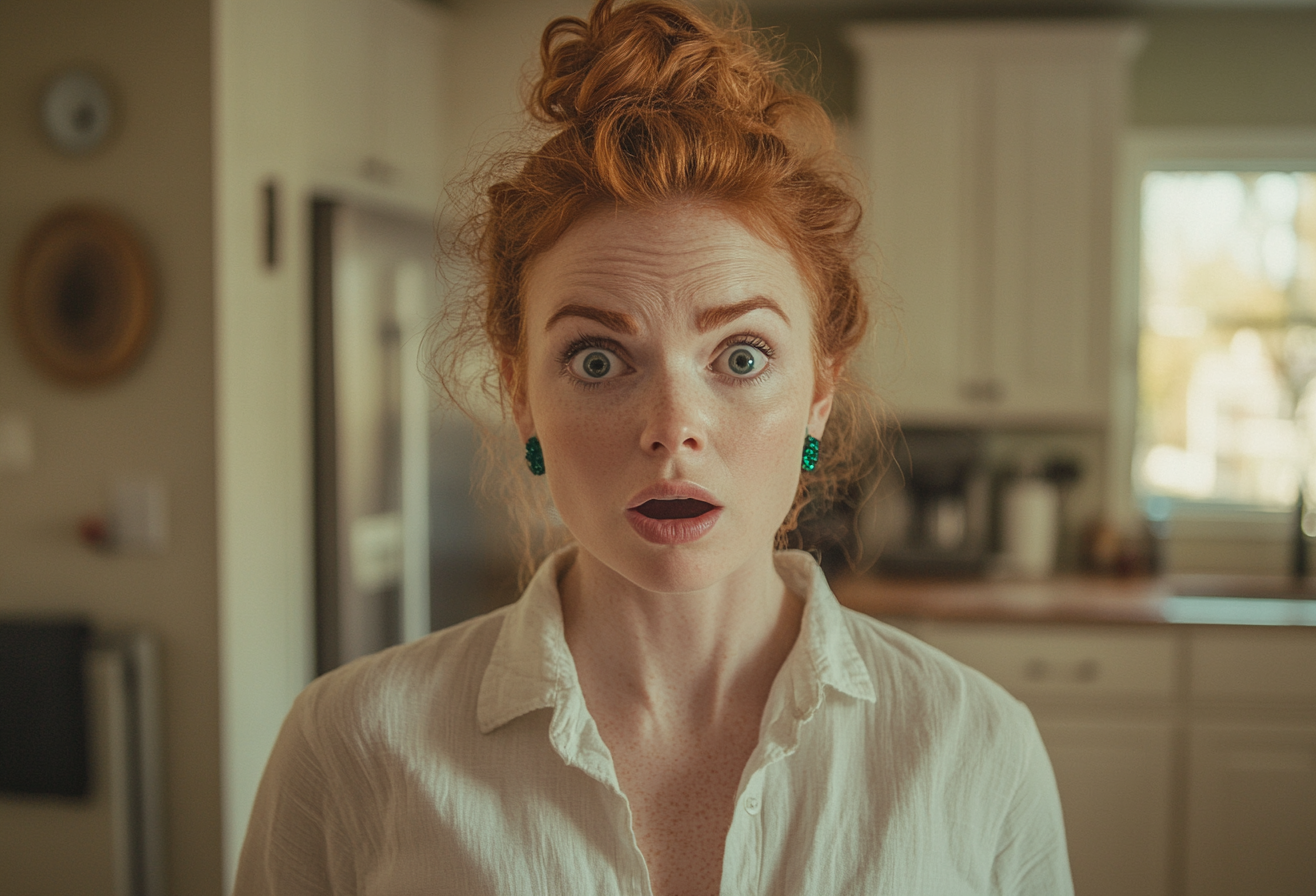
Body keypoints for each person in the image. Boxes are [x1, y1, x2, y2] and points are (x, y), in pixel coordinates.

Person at [232, 1, 1073, 894]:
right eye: (598, 359)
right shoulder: (349, 744)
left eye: (740, 356)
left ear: (820, 392)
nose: (673, 427)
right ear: (521, 397)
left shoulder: (976, 747)